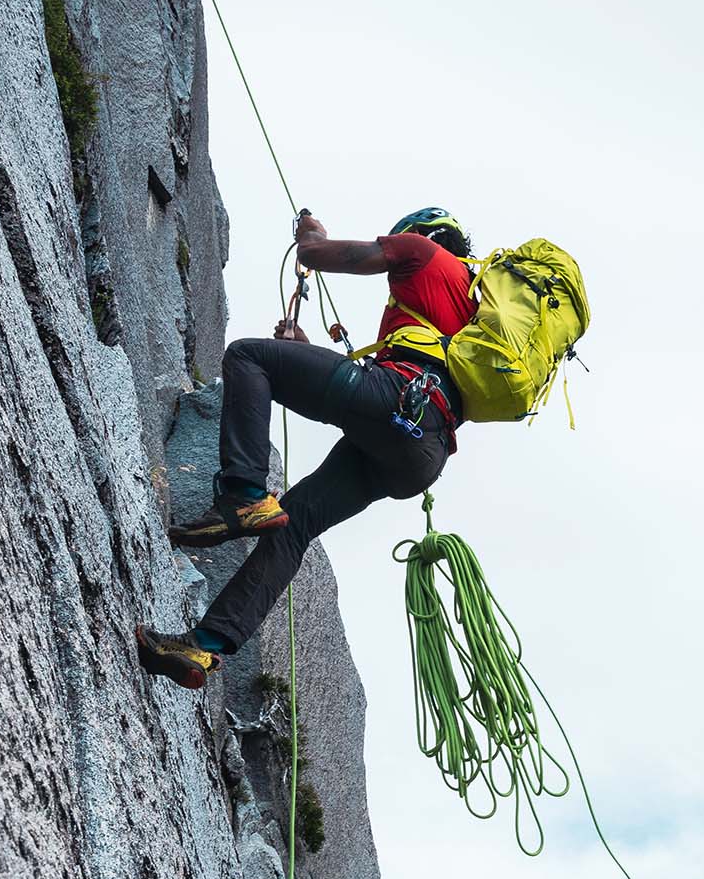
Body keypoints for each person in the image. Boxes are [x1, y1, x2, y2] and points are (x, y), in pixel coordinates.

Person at [135, 206, 475, 689]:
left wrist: (311, 234)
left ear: (418, 235)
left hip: (395, 401)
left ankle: (244, 494)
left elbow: (316, 254)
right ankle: (204, 647)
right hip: (421, 454)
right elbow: (392, 384)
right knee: (293, 524)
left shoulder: (421, 252)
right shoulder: (471, 309)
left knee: (249, 357)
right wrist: (304, 346)